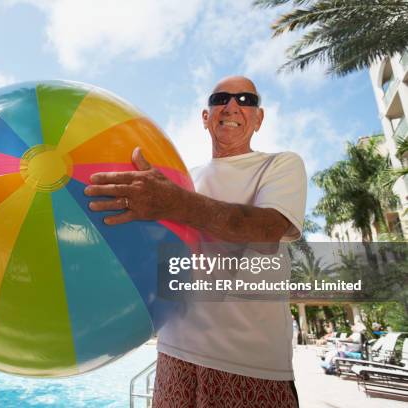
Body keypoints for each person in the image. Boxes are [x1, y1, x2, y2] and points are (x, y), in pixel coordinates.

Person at [85, 76, 306, 407]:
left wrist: (174, 202)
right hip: (174, 355)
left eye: (246, 100)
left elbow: (267, 229)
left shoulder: (280, 165)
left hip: (250, 364)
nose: (232, 106)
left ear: (258, 118)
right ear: (206, 117)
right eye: (221, 98)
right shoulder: (181, 179)